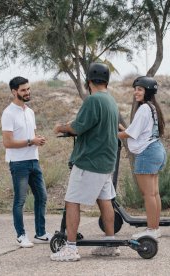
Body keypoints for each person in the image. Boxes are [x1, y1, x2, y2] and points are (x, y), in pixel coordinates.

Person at [51, 63, 119, 262]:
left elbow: (78, 127)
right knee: (105, 200)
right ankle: (110, 243)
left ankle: (71, 248)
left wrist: (60, 127)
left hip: (89, 161)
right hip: (107, 162)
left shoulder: (93, 100)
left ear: (89, 81)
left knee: (72, 201)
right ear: (107, 81)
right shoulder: (111, 101)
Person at [1, 76, 52, 248]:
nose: (27, 92)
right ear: (14, 92)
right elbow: (7, 142)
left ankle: (41, 233)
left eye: (28, 89)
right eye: (23, 90)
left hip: (33, 161)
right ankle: (21, 235)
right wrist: (31, 141)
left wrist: (38, 140)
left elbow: (32, 136)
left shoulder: (30, 112)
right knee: (20, 200)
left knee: (42, 196)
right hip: (18, 163)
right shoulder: (8, 113)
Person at [118, 76, 167, 239]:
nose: (135, 92)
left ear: (147, 91)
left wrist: (110, 134)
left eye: (139, 89)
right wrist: (122, 129)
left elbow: (129, 134)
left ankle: (151, 230)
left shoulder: (143, 109)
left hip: (147, 153)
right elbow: (137, 131)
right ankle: (155, 228)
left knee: (148, 194)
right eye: (135, 89)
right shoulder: (152, 108)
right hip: (156, 149)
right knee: (154, 193)